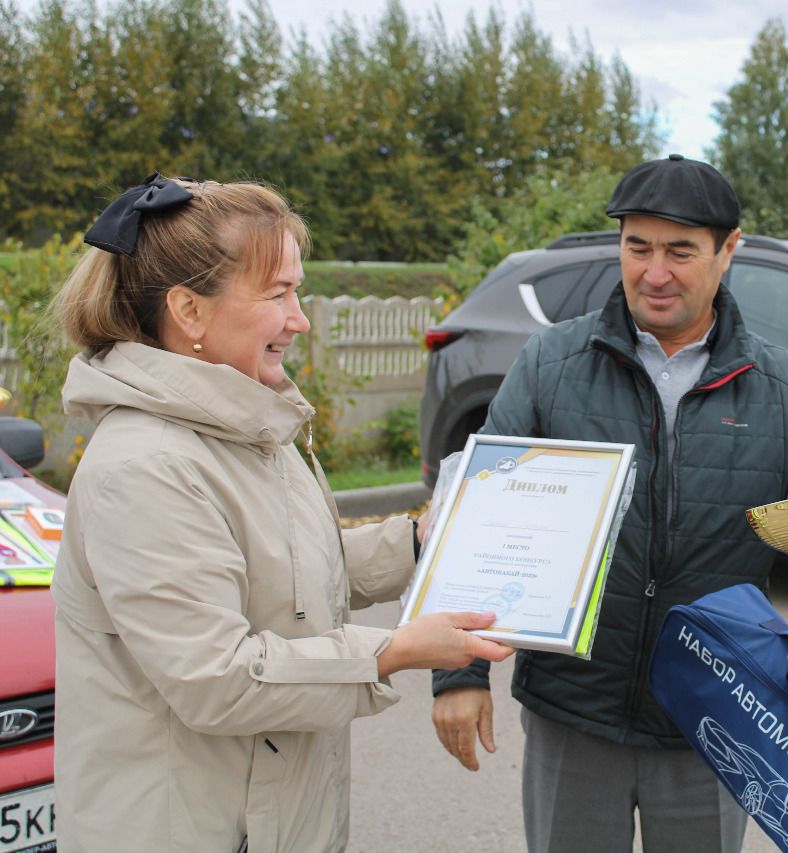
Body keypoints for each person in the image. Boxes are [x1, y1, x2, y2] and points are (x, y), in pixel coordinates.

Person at [430, 154, 788, 852]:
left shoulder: (783, 386)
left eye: (680, 251)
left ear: (727, 251)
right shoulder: (551, 364)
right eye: (637, 247)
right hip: (573, 708)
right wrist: (459, 671)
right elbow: (477, 515)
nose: (655, 272)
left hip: (709, 715)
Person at [49, 173, 513, 853]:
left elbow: (291, 571)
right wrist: (392, 651)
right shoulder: (144, 466)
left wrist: (420, 542)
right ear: (190, 311)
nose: (299, 318)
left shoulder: (251, 427)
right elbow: (216, 676)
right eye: (278, 294)